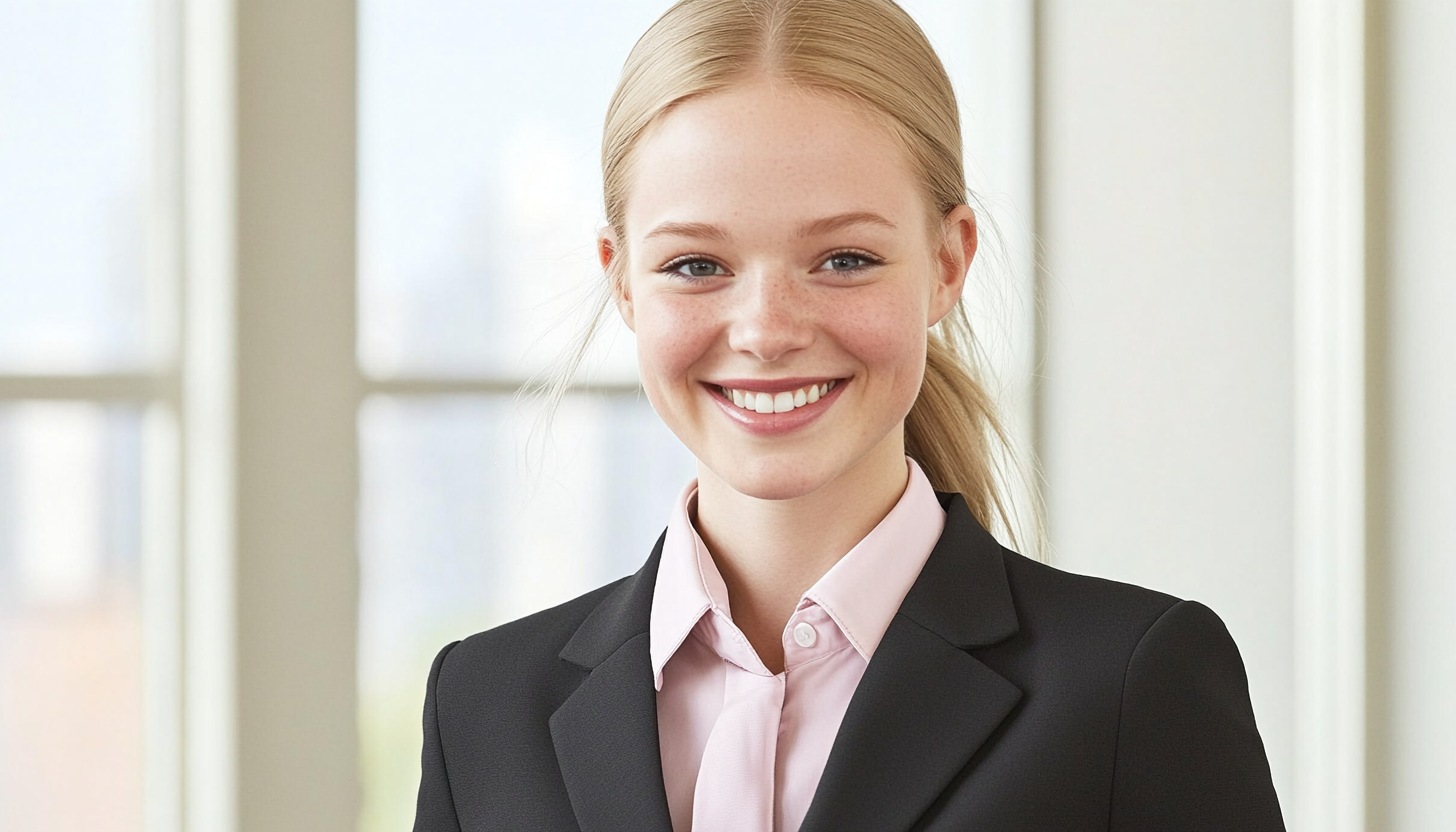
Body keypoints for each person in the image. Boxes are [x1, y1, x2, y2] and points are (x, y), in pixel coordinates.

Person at [412, 0, 1286, 829]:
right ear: (622, 280)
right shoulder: (481, 706)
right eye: (694, 266)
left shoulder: (1132, 689)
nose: (766, 332)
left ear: (948, 263)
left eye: (843, 258)